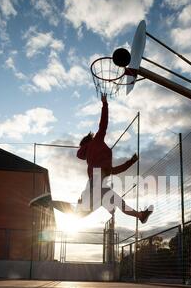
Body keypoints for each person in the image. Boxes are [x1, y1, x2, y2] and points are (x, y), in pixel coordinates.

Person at [30, 95, 153, 224]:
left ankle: (141, 216)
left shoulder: (90, 154)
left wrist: (131, 161)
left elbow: (115, 170)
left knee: (83, 213)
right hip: (97, 183)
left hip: (96, 183)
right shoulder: (96, 141)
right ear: (90, 140)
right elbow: (103, 124)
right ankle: (49, 201)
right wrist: (105, 104)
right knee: (85, 212)